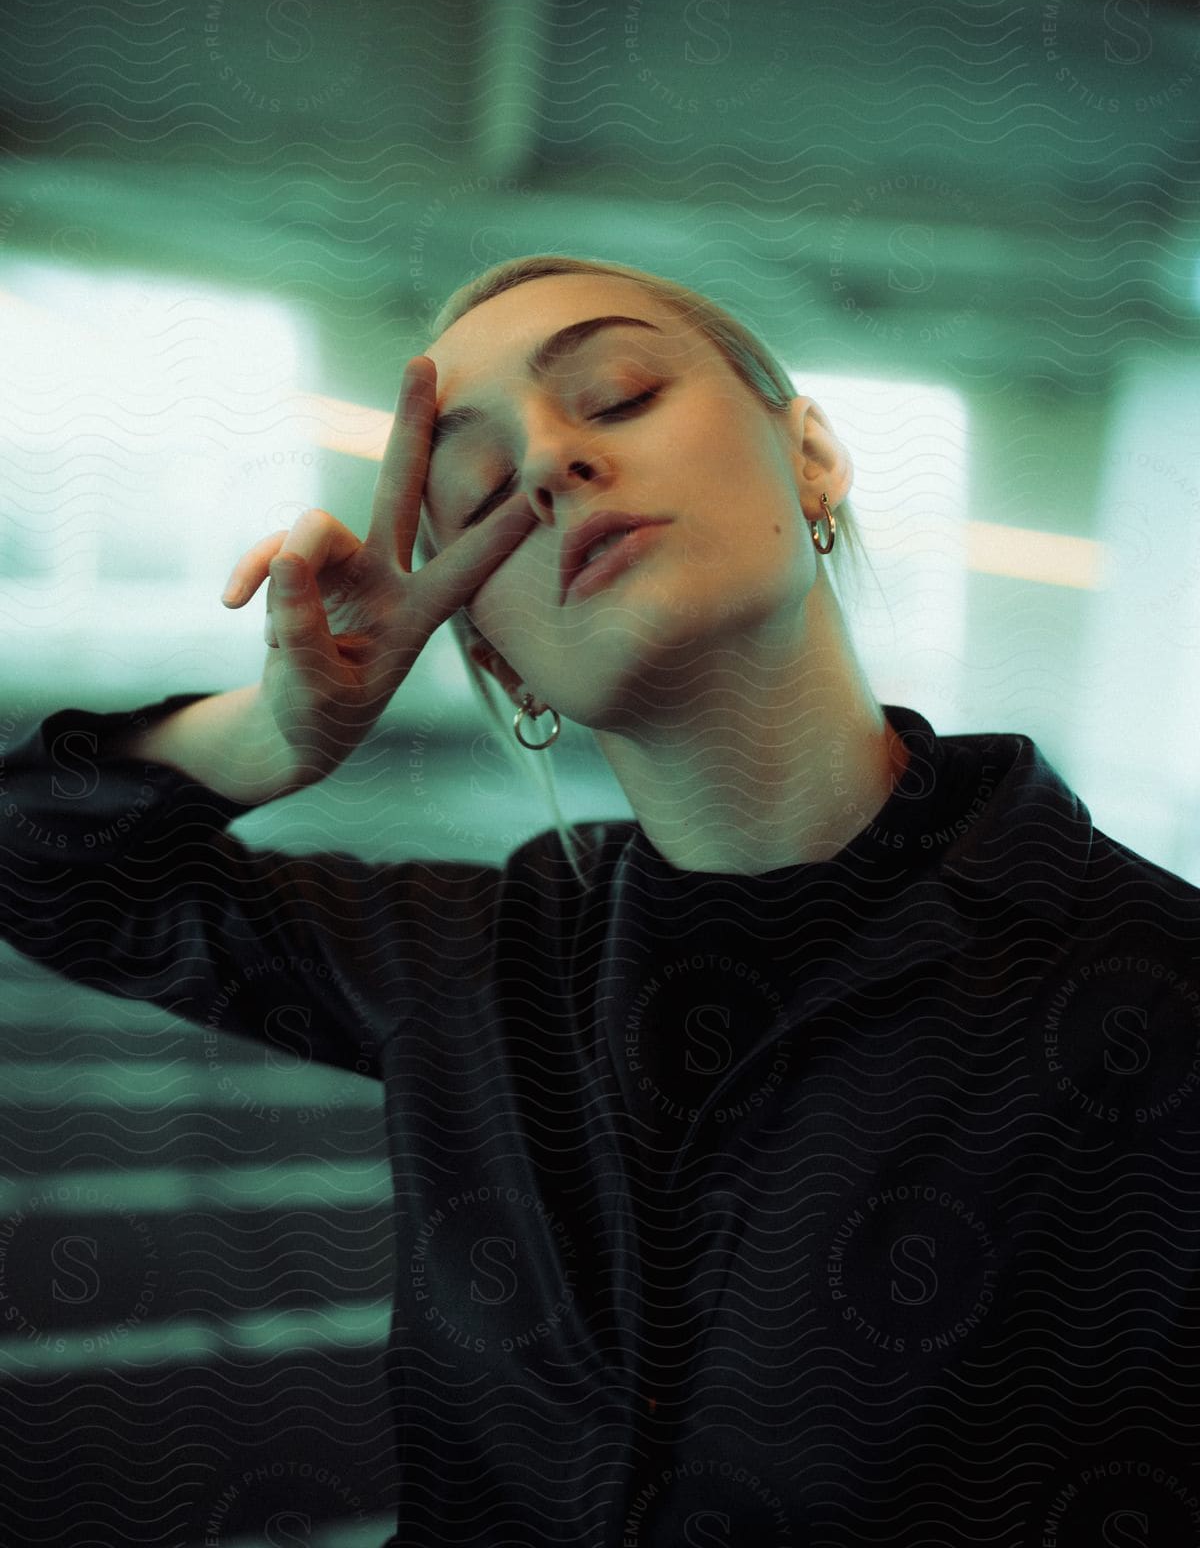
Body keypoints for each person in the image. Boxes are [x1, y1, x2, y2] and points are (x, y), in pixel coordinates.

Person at [2, 254, 1199, 1548]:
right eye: (473, 490)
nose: (546, 465)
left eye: (617, 393)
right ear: (495, 651)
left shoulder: (1158, 993)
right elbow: (40, 861)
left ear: (814, 458)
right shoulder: (459, 963)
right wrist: (273, 735)